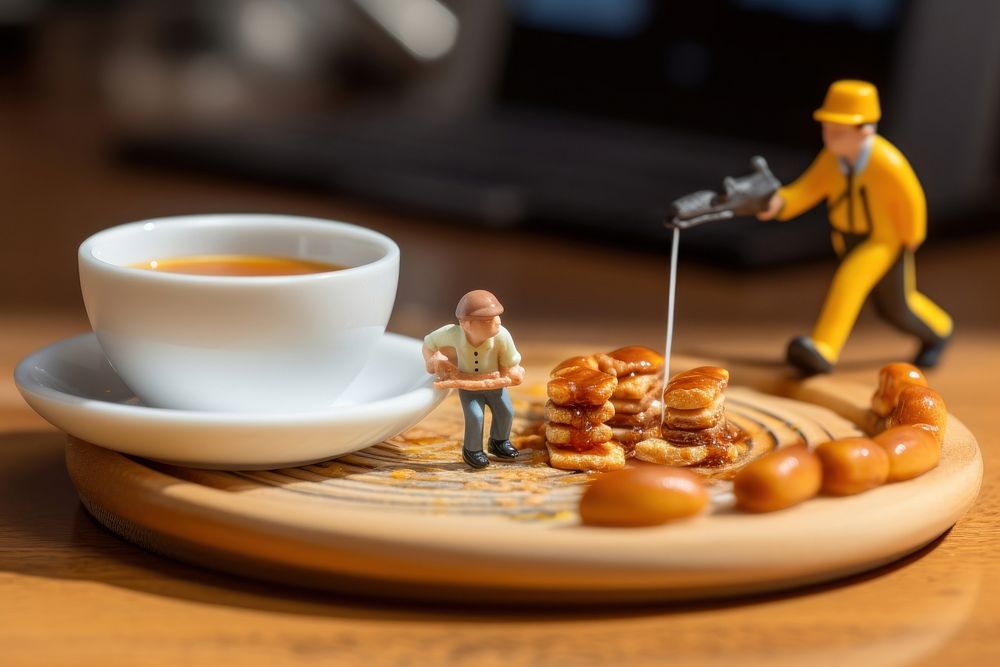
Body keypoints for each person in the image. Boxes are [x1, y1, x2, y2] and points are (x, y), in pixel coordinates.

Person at [758, 80, 953, 373]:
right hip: (846, 239)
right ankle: (939, 330)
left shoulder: (886, 162)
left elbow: (911, 198)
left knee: (848, 282)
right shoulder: (831, 160)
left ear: (866, 130)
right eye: (827, 129)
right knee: (896, 308)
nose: (830, 138)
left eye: (838, 132)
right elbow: (806, 190)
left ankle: (823, 349)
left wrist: (913, 235)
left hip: (882, 241)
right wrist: (778, 204)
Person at [423, 290, 525, 469]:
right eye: (488, 321)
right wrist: (432, 359)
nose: (497, 322)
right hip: (468, 386)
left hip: (495, 383)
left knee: (506, 411)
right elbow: (428, 343)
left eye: (497, 317)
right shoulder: (453, 333)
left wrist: (515, 370)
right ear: (466, 324)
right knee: (475, 416)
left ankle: (499, 442)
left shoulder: (502, 335)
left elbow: (511, 360)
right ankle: (472, 450)